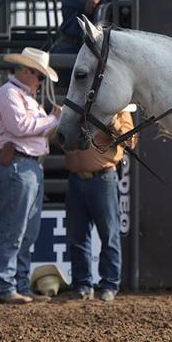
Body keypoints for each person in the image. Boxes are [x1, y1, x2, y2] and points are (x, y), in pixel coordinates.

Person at [0, 47, 61, 304]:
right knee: (14, 227)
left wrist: (51, 123)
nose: (41, 81)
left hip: (29, 165)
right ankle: (5, 284)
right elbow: (19, 127)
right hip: (19, 164)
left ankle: (17, 283)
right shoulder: (9, 93)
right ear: (24, 71)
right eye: (38, 75)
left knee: (27, 229)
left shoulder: (26, 97)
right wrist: (53, 120)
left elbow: (28, 129)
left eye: (42, 76)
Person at [63, 102, 135, 302]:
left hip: (102, 177)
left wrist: (113, 124)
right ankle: (84, 284)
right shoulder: (75, 104)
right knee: (78, 236)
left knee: (107, 234)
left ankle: (108, 284)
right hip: (79, 177)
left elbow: (130, 140)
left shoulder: (118, 109)